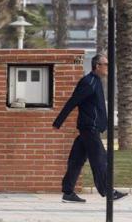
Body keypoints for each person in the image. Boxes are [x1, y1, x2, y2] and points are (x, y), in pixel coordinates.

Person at [52, 53, 127, 203]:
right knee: (100, 159)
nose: (108, 68)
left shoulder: (96, 81)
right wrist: (58, 122)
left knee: (76, 160)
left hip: (89, 129)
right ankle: (108, 191)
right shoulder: (88, 82)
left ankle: (68, 192)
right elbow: (73, 101)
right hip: (89, 128)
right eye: (106, 64)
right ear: (97, 66)